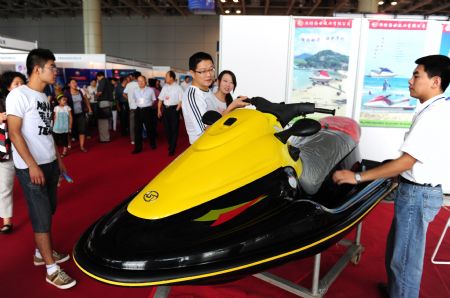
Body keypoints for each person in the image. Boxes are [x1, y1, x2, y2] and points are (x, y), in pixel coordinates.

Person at [332, 55, 450, 298]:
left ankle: (403, 293)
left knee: (405, 259)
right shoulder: (433, 109)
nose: (410, 80)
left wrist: (357, 178)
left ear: (435, 81)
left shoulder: (434, 115)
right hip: (415, 190)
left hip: (418, 193)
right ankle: (398, 290)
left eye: (417, 75)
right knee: (398, 251)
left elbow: (406, 161)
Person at [6, 48, 76, 289]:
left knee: (50, 210)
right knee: (41, 217)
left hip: (49, 164)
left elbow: (46, 134)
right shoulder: (19, 95)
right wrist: (32, 165)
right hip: (30, 168)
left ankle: (40, 252)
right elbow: (14, 133)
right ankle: (51, 269)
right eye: (52, 67)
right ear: (37, 69)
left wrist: (58, 159)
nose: (55, 71)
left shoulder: (44, 96)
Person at [181, 52, 248, 144]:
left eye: (211, 69)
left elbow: (216, 119)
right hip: (203, 146)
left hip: (215, 142)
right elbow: (206, 130)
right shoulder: (193, 96)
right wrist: (231, 106)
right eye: (203, 71)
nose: (209, 74)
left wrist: (234, 105)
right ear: (192, 73)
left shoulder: (208, 91)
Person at [0, 71, 26, 234]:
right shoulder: (1, 102)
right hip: (6, 151)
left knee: (33, 185)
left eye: (22, 83)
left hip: (26, 151)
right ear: (7, 87)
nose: (20, 86)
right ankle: (7, 220)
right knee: (5, 187)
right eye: (16, 83)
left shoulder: (28, 100)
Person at [157, 71, 183, 156]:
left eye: (166, 76)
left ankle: (172, 148)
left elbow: (181, 100)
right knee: (167, 129)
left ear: (171, 78)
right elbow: (160, 99)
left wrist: (177, 110)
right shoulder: (164, 87)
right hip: (165, 110)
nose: (165, 78)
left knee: (174, 129)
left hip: (173, 110)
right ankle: (171, 144)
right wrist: (159, 110)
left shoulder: (178, 88)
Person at [131, 75, 157, 154]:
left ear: (145, 81)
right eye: (139, 81)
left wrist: (147, 105)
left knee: (150, 128)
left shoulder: (150, 90)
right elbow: (135, 100)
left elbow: (154, 100)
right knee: (137, 129)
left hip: (147, 110)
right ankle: (138, 148)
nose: (140, 82)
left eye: (142, 81)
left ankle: (152, 144)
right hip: (138, 110)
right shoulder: (135, 91)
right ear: (137, 82)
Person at [64, 79, 91, 152]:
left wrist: (89, 108)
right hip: (70, 115)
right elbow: (63, 103)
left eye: (75, 82)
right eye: (73, 82)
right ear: (69, 84)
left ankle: (82, 146)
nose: (75, 84)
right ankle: (69, 144)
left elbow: (86, 100)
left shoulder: (80, 91)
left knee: (82, 130)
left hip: (81, 113)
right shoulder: (66, 93)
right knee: (70, 130)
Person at [95, 71, 114, 143]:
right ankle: (106, 137)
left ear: (98, 76)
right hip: (109, 102)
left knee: (102, 122)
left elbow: (99, 92)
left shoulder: (102, 81)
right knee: (106, 121)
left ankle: (104, 138)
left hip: (103, 103)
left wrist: (95, 95)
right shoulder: (108, 82)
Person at [123, 71, 140, 145]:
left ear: (133, 77)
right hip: (140, 106)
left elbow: (124, 94)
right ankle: (140, 137)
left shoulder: (129, 84)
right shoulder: (141, 84)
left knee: (132, 124)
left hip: (132, 107)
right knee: (140, 123)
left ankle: (133, 140)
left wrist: (129, 99)